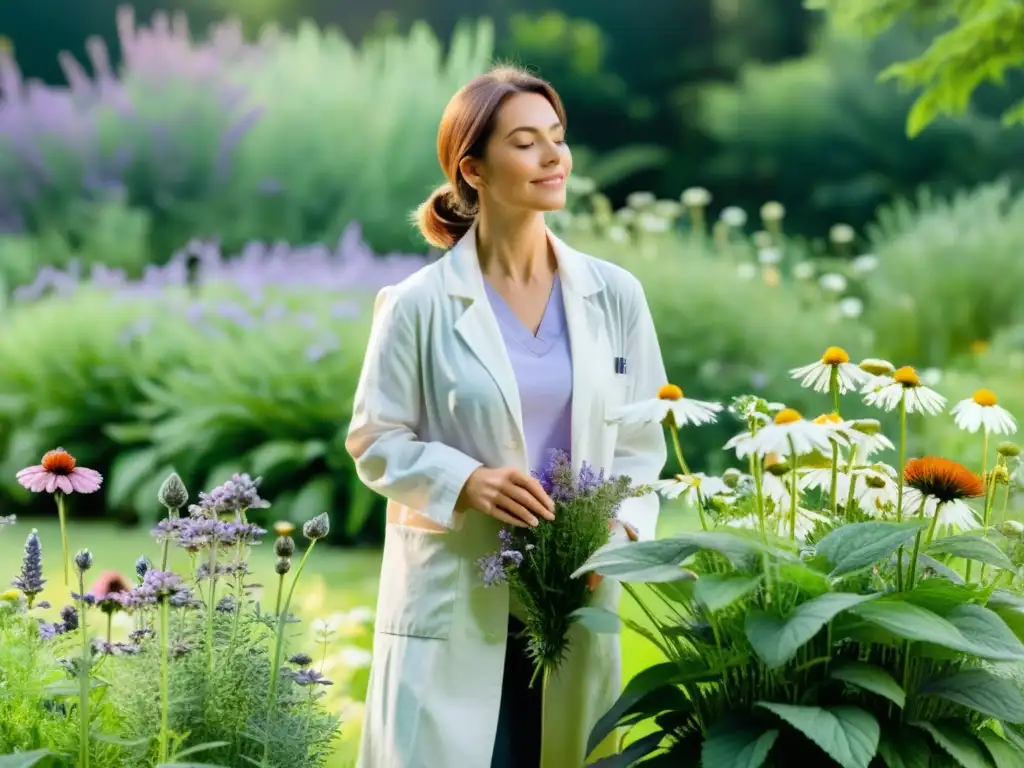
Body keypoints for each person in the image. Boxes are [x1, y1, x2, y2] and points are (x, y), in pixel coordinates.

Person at [346, 64, 668, 768]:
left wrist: (619, 532)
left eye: (557, 137)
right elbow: (375, 439)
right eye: (527, 142)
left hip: (577, 587)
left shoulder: (614, 295)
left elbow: (644, 437)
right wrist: (467, 482)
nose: (555, 157)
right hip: (458, 591)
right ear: (474, 168)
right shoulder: (418, 305)